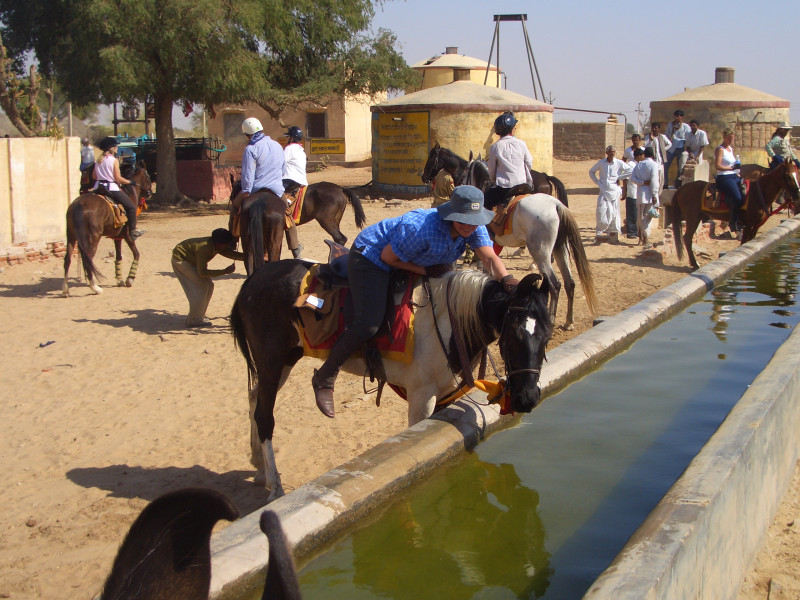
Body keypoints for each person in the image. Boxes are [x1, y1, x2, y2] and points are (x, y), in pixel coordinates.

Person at [310, 185, 520, 418]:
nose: (468, 225)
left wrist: (507, 279)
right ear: (452, 214)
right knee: (368, 321)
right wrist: (425, 269)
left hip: (420, 260)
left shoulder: (473, 227)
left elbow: (489, 256)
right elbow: (388, 257)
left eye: (473, 220)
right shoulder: (423, 228)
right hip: (373, 257)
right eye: (462, 219)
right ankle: (326, 376)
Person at [171, 228, 245, 328]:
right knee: (202, 287)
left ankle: (199, 316)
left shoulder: (217, 245)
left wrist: (248, 256)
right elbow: (203, 273)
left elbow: (229, 253)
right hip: (181, 260)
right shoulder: (204, 248)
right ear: (218, 243)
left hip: (190, 260)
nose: (227, 246)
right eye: (226, 244)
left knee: (209, 285)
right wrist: (224, 271)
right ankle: (194, 320)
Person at [231, 117, 286, 236]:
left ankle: (232, 239)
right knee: (287, 213)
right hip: (277, 190)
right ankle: (295, 246)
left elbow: (248, 174)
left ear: (247, 135)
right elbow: (283, 170)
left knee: (235, 206)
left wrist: (246, 192)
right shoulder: (278, 145)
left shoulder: (250, 149)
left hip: (256, 189)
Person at [92, 136, 144, 238]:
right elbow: (118, 178)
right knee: (131, 207)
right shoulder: (113, 160)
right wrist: (130, 182)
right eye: (116, 147)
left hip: (98, 187)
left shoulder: (98, 160)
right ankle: (133, 231)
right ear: (112, 148)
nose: (117, 148)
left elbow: (94, 176)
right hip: (110, 188)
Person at [485, 112, 533, 210]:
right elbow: (529, 162)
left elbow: (491, 170)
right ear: (511, 129)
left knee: (484, 204)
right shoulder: (521, 143)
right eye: (514, 127)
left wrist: (493, 180)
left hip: (505, 188)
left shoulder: (495, 147)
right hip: (523, 185)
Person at [588, 145, 632, 243]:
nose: (612, 153)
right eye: (610, 151)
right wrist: (597, 182)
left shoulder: (619, 163)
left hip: (614, 191)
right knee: (601, 210)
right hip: (603, 190)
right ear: (607, 152)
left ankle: (614, 233)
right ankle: (599, 232)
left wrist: (619, 178)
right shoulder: (601, 162)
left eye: (613, 151)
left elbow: (630, 170)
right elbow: (591, 172)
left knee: (615, 212)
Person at [281, 125, 306, 258]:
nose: (287, 140)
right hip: (298, 180)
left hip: (289, 181)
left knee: (282, 210)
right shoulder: (300, 149)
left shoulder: (289, 149)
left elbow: (279, 163)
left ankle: (296, 248)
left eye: (288, 137)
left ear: (292, 138)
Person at [715, 129, 744, 239]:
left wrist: (736, 169)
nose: (731, 140)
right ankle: (734, 224)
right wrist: (731, 168)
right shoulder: (720, 149)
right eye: (729, 138)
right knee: (737, 198)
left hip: (734, 175)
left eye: (732, 138)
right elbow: (717, 166)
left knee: (746, 193)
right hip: (724, 177)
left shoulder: (730, 149)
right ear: (724, 137)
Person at [629, 147, 660, 245]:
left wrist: (641, 182)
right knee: (647, 217)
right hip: (649, 195)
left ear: (644, 155)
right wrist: (655, 195)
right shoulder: (653, 165)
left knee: (640, 217)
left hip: (640, 194)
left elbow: (633, 179)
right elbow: (654, 181)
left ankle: (640, 238)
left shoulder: (639, 165)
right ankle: (645, 237)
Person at [622, 134, 643, 238]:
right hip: (631, 191)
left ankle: (636, 231)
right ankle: (631, 232)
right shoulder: (630, 165)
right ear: (639, 156)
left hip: (638, 192)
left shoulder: (640, 165)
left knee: (636, 213)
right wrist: (624, 190)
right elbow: (623, 176)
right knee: (631, 213)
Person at [665, 110, 691, 188]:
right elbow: (667, 136)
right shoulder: (670, 125)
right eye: (675, 116)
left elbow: (688, 138)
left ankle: (678, 183)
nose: (676, 118)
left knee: (680, 167)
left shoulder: (686, 127)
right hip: (671, 148)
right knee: (665, 166)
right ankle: (665, 183)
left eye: (678, 116)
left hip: (680, 148)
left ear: (681, 117)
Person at [644, 122, 671, 194]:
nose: (654, 129)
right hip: (653, 162)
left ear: (659, 129)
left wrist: (663, 149)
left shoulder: (662, 137)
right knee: (653, 181)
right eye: (653, 128)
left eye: (656, 128)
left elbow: (669, 144)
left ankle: (658, 196)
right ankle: (653, 195)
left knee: (661, 181)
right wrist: (651, 140)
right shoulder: (648, 137)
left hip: (660, 162)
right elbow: (646, 147)